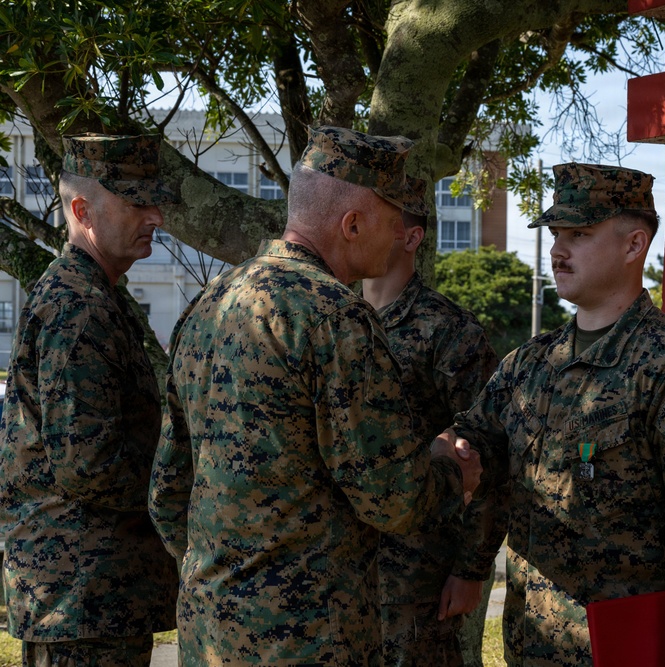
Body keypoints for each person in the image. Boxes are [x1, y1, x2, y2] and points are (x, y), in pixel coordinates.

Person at [148, 126, 482, 666]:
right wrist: (449, 469)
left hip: (210, 635)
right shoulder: (335, 317)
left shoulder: (208, 306)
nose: (401, 233)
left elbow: (167, 493)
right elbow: (392, 498)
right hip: (307, 641)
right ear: (352, 224)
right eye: (393, 220)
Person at [451, 162, 665, 667]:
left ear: (634, 245)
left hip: (626, 648)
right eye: (556, 234)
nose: (557, 249)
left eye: (580, 233)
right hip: (531, 644)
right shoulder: (530, 363)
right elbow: (478, 449)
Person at [0, 133, 180, 666]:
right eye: (136, 203)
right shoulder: (78, 309)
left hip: (94, 596)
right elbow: (89, 465)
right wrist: (183, 479)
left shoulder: (94, 294)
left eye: (156, 200)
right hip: (82, 603)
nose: (156, 217)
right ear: (82, 210)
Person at [363, 185, 501, 667]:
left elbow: (490, 452)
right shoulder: (333, 320)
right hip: (334, 574)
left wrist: (471, 569)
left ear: (411, 236)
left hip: (415, 577)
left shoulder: (448, 331)